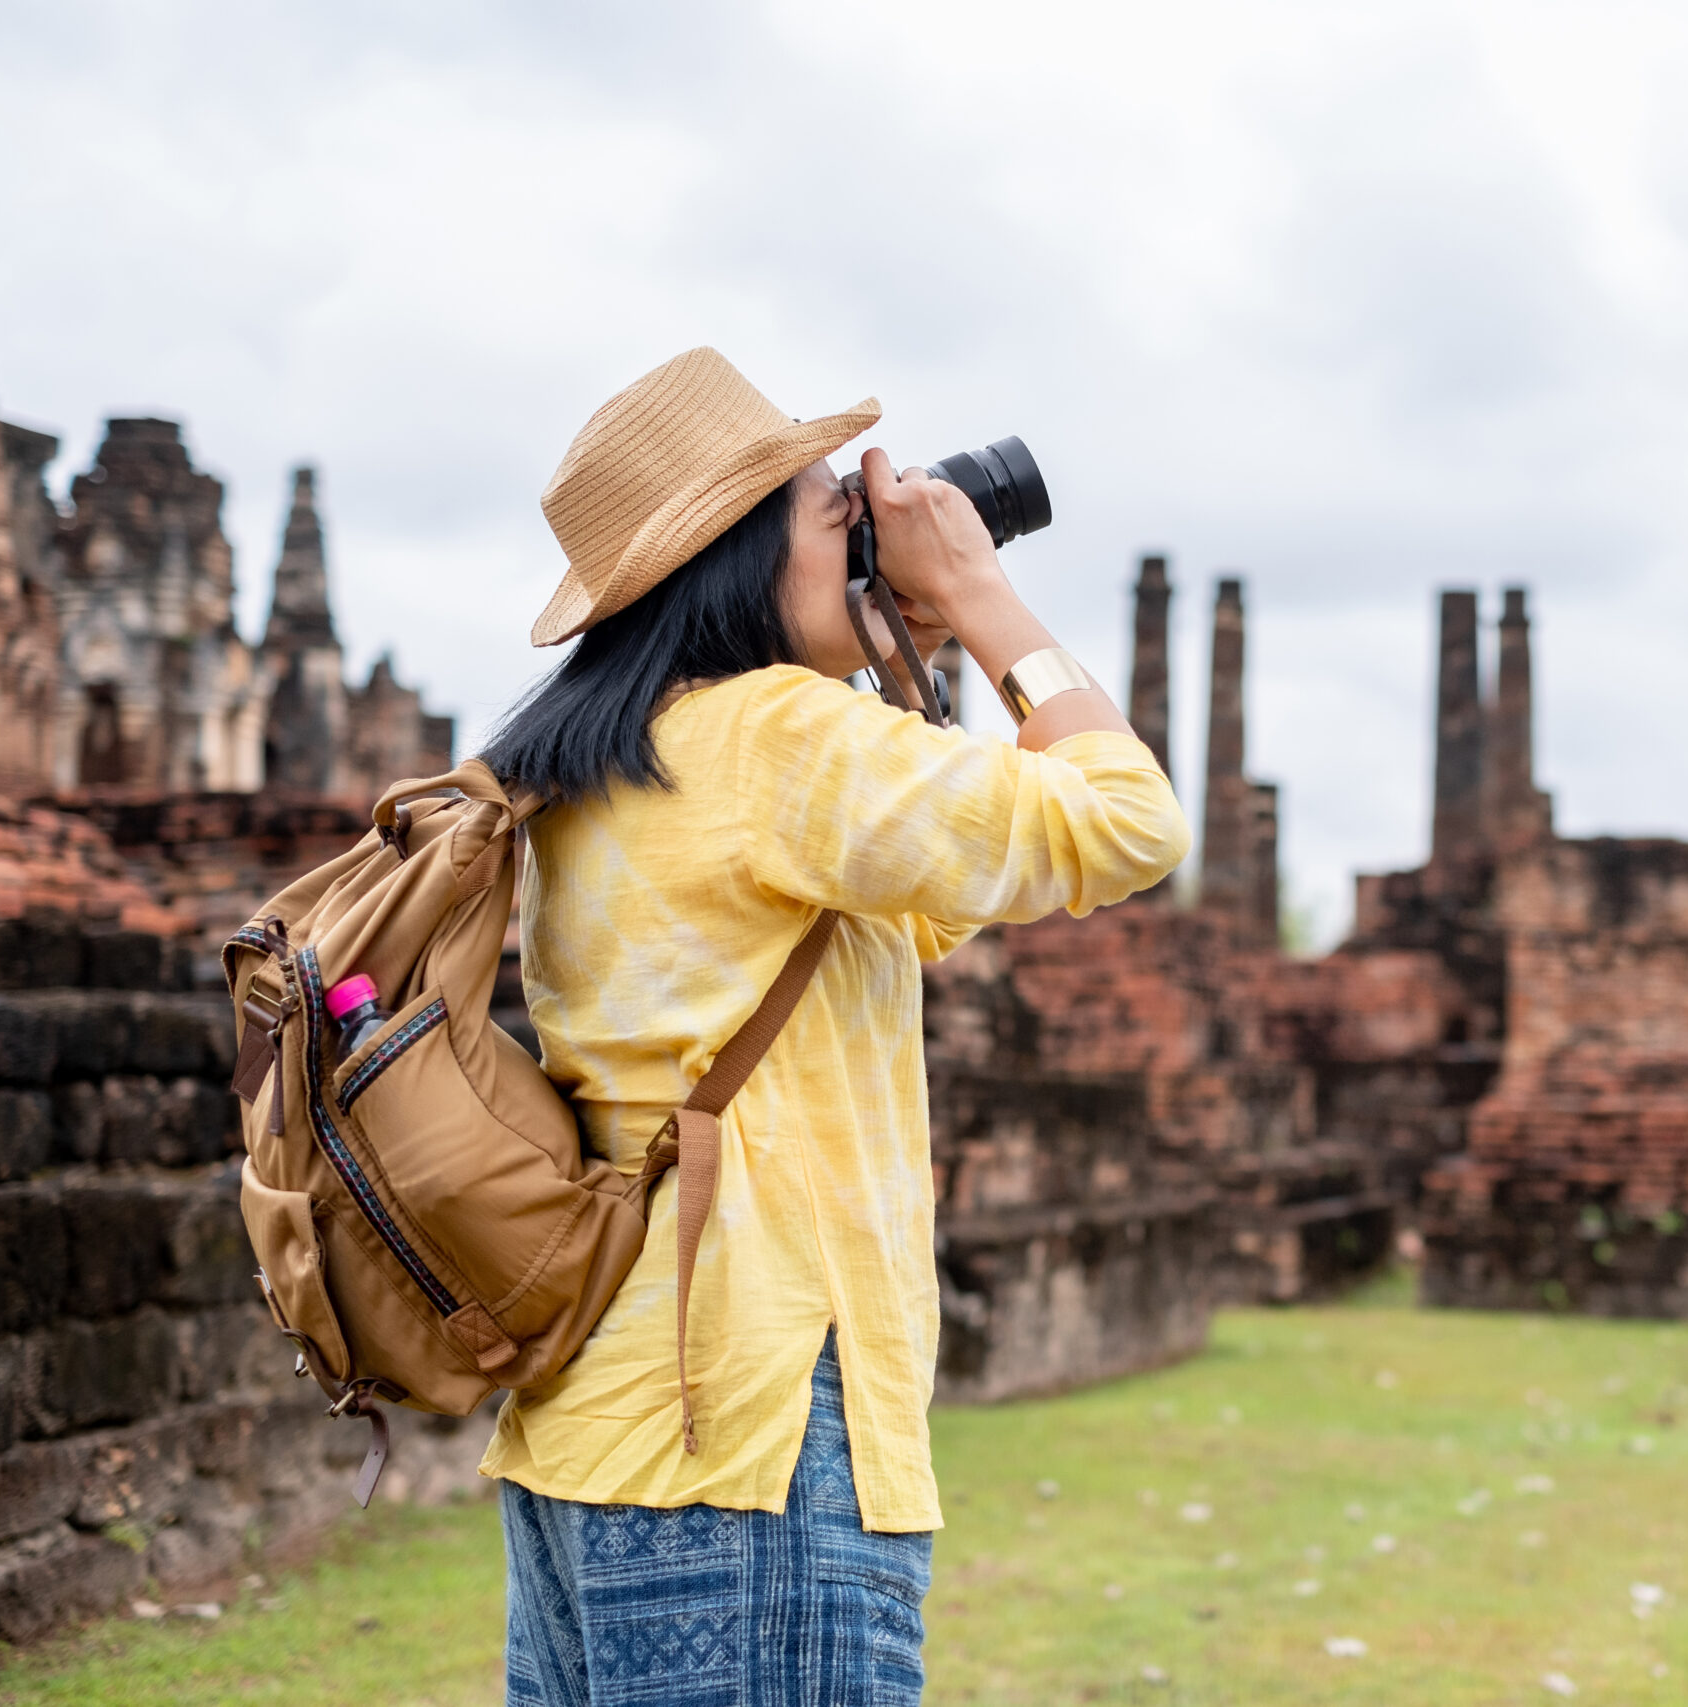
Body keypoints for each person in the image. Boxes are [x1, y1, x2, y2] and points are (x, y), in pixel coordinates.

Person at [475, 349, 1188, 1705]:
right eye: (830, 512)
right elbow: (1128, 821)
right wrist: (979, 591)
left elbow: (929, 902)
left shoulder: (608, 761)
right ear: (736, 560)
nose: (868, 524)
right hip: (755, 1425)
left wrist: (895, 642)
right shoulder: (773, 743)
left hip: (593, 1417)